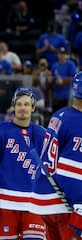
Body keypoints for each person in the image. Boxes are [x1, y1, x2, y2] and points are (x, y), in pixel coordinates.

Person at [0, 88, 46, 239]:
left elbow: (51, 171)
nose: (23, 108)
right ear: (13, 106)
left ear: (33, 108)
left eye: (27, 104)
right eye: (19, 104)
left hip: (34, 205)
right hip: (5, 205)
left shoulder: (42, 134)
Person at [31, 72, 82, 240]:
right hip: (65, 203)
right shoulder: (79, 123)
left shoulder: (60, 114)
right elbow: (70, 170)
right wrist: (79, 205)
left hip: (46, 197)